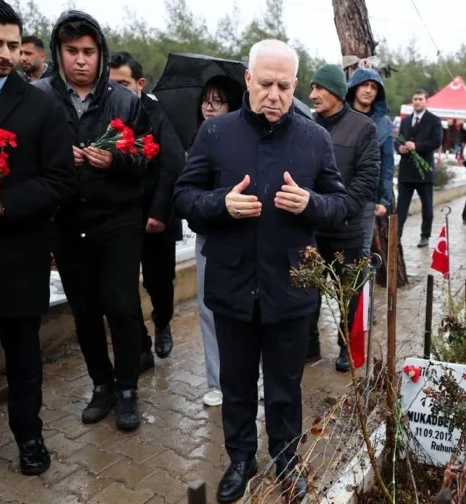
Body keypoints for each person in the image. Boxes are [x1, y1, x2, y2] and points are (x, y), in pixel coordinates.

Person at [174, 40, 347, 503]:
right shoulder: (216, 134)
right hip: (232, 287)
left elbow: (342, 205)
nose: (274, 94)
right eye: (265, 83)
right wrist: (221, 204)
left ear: (296, 86)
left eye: (284, 86)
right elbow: (184, 197)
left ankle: (288, 457)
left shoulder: (315, 138)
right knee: (235, 384)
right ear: (248, 80)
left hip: (290, 287)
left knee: (286, 386)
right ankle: (241, 459)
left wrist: (312, 203)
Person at [0, 0, 76, 475]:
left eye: (14, 44)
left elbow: (63, 181)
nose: (9, 54)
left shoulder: (41, 104)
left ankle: (29, 436)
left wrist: (1, 204)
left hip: (17, 251)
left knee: (23, 354)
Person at [34, 10, 151, 432]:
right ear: (58, 52)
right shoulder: (40, 96)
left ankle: (126, 390)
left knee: (120, 307)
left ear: (100, 54)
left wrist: (115, 158)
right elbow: (28, 160)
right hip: (67, 221)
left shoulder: (124, 100)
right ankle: (100, 384)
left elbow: (144, 158)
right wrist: (58, 163)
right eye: (72, 51)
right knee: (84, 310)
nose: (81, 60)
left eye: (89, 51)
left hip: (117, 221)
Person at [108, 51, 185, 369]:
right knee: (121, 287)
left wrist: (159, 212)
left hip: (157, 213)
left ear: (139, 83)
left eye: (124, 84)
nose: (118, 91)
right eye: (111, 84)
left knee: (159, 281)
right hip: (120, 215)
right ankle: (139, 344)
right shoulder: (106, 114)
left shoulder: (158, 112)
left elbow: (171, 165)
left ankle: (163, 321)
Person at [306, 64, 379, 371]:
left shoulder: (363, 127)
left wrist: (342, 208)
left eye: (318, 88)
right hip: (311, 228)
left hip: (345, 229)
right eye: (311, 88)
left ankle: (346, 347)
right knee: (307, 290)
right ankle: (308, 346)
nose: (312, 95)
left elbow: (368, 175)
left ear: (335, 91)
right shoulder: (307, 124)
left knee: (347, 294)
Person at [182, 75, 243, 408]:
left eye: (217, 100)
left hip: (241, 236)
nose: (209, 106)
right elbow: (187, 193)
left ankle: (249, 377)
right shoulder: (196, 142)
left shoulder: (246, 140)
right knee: (208, 309)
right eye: (206, 99)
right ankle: (216, 381)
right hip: (208, 235)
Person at [345, 68, 408, 288]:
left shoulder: (382, 123)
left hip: (367, 197)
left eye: (374, 87)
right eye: (365, 85)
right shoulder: (340, 115)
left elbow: (387, 163)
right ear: (354, 87)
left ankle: (359, 307)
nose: (368, 91)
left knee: (362, 251)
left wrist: (384, 199)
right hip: (336, 194)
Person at [395, 89, 442, 248]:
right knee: (400, 208)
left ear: (426, 101)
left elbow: (436, 142)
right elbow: (398, 140)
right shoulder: (406, 120)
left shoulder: (434, 120)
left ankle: (425, 235)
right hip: (406, 172)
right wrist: (400, 149)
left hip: (424, 174)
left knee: (427, 207)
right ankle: (396, 235)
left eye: (420, 99)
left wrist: (417, 146)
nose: (417, 102)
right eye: (414, 99)